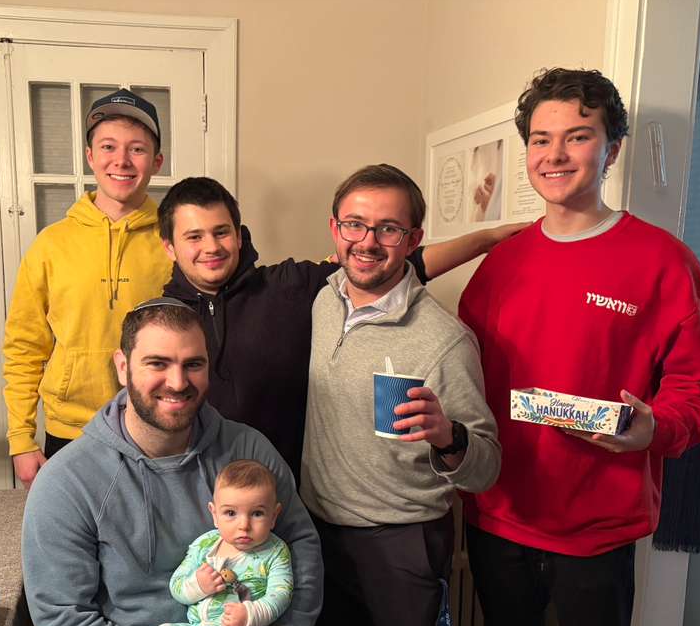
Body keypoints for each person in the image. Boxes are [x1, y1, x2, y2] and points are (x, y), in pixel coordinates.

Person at [457, 68, 700, 626]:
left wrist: (655, 428)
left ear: (611, 148)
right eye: (541, 139)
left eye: (577, 137)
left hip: (597, 524)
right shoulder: (501, 264)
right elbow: (467, 382)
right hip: (500, 516)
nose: (555, 154)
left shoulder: (661, 262)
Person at [21, 298, 354, 626]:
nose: (177, 382)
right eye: (157, 363)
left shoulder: (249, 452)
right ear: (123, 366)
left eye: (193, 364)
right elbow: (63, 615)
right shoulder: (68, 481)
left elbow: (301, 554)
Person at [298, 164, 502, 626]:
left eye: (388, 228)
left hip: (400, 543)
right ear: (334, 229)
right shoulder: (321, 300)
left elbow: (486, 465)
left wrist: (449, 437)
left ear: (413, 239)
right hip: (320, 532)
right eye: (355, 225)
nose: (368, 242)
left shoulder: (444, 340)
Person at [161, 176, 523, 482]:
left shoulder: (291, 287)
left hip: (289, 498)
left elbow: (391, 262)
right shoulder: (161, 320)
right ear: (170, 247)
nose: (211, 247)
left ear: (239, 236)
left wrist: (485, 240)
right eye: (194, 237)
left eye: (221, 232)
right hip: (200, 492)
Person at [3, 88, 171, 489]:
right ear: (90, 156)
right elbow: (25, 346)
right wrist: (21, 438)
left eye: (137, 149)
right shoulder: (51, 244)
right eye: (108, 147)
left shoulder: (173, 241)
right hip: (70, 430)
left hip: (155, 425)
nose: (122, 160)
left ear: (156, 161)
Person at [150, 459, 294, 626]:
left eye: (257, 514)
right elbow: (176, 586)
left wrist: (249, 614)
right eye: (230, 513)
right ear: (214, 514)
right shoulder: (204, 544)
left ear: (274, 516)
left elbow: (281, 594)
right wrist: (198, 585)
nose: (244, 526)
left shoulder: (275, 552)